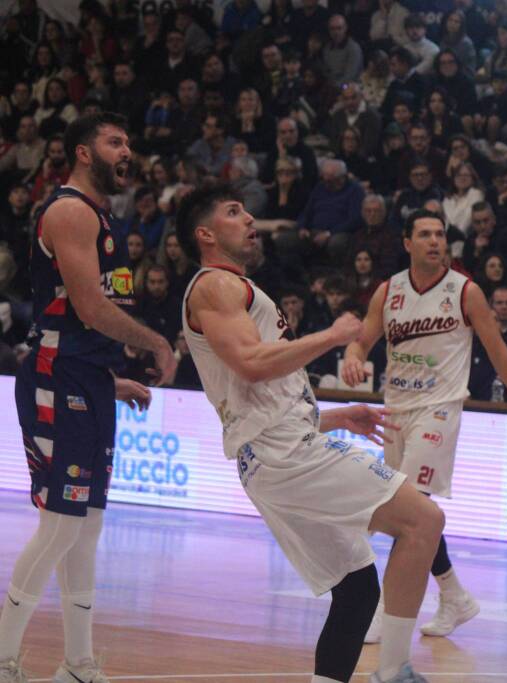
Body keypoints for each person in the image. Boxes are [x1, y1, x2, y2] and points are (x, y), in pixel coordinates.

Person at [177, 184, 442, 683]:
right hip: (285, 456)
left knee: (358, 588)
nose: (250, 218)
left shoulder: (233, 289)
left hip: (272, 454)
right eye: (234, 212)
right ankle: (394, 672)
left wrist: (335, 416)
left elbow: (255, 398)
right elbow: (252, 365)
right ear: (206, 234)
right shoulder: (215, 284)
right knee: (423, 521)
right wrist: (335, 336)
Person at [1, 113, 176, 683]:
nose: (127, 151)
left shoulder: (100, 215)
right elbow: (90, 308)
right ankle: (3, 658)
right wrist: (154, 342)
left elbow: (92, 320)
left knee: (88, 522)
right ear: (83, 151)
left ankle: (77, 664)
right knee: (60, 523)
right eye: (115, 142)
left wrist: (109, 377)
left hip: (86, 379)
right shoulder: (70, 210)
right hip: (57, 378)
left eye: (129, 142)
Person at [342, 209, 507, 641]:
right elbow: (362, 339)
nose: (434, 241)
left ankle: (384, 610)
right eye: (425, 234)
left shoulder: (465, 291)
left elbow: (499, 350)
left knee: (406, 503)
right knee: (412, 516)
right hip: (396, 410)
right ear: (407, 243)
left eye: (440, 234)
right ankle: (454, 594)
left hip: (440, 408)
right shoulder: (387, 291)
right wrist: (353, 357)